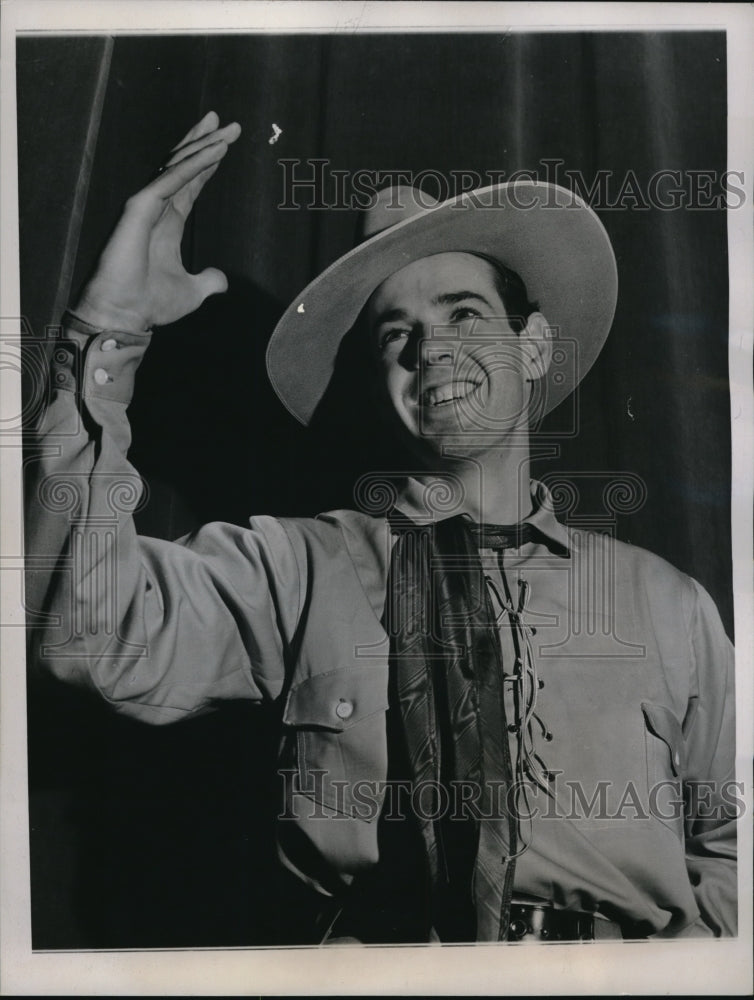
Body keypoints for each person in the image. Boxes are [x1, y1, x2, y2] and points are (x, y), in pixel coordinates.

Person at [25, 111, 737, 944]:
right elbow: (85, 630)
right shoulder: (297, 566)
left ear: (533, 346)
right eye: (396, 334)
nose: (430, 351)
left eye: (464, 313)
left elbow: (732, 846)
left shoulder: (670, 606)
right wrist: (106, 332)